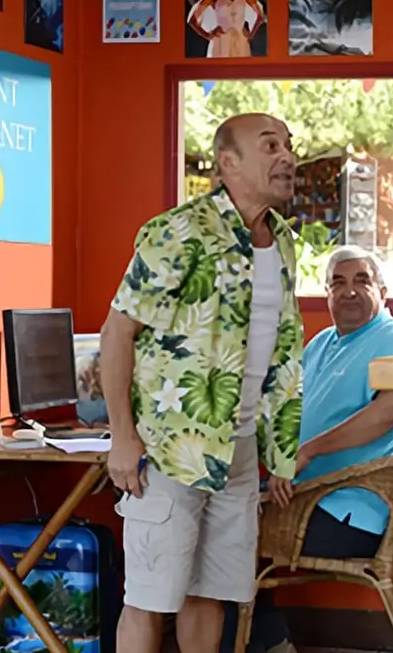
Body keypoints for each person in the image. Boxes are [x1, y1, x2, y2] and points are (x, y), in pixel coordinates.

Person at [101, 112, 304, 653]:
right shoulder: (178, 231)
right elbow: (117, 332)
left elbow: (276, 348)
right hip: (172, 448)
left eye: (289, 145)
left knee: (211, 594)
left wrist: (275, 448)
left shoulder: (283, 240)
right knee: (148, 598)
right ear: (227, 163)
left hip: (238, 449)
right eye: (270, 146)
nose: (287, 156)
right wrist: (123, 437)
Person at [220, 246, 393, 653]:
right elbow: (283, 409)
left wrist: (308, 452)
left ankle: (263, 643)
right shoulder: (321, 343)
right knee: (218, 519)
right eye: (338, 283)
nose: (350, 291)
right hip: (301, 498)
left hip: (346, 512)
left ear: (382, 291)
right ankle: (269, 642)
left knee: (221, 536)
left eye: (362, 281)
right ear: (327, 294)